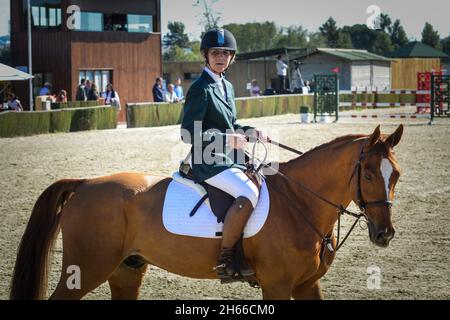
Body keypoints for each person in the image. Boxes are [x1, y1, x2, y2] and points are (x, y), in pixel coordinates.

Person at [181, 28, 268, 281]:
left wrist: (251, 132)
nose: (220, 57)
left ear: (232, 57)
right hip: (207, 162)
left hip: (229, 158)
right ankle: (227, 256)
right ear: (205, 56)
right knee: (248, 193)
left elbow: (231, 124)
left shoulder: (226, 86)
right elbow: (188, 133)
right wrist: (226, 138)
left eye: (226, 53)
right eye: (215, 52)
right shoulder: (200, 88)